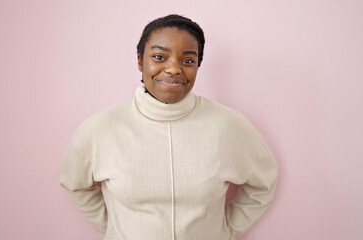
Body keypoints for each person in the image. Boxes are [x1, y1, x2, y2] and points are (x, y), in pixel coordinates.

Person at [60, 14, 278, 240]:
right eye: (159, 56)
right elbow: (74, 183)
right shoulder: (101, 128)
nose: (174, 69)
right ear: (139, 61)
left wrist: (226, 232)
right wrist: (113, 229)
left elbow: (263, 183)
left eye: (187, 61)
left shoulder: (229, 126)